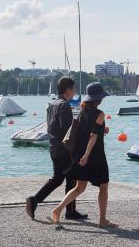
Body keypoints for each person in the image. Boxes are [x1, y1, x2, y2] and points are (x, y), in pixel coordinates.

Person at [52, 82, 117, 227]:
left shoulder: (82, 112)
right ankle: (102, 220)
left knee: (79, 188)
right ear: (98, 99)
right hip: (95, 156)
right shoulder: (100, 114)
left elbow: (86, 131)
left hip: (80, 155)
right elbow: (93, 136)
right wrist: (87, 155)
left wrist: (102, 129)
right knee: (104, 186)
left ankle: (57, 209)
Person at [26, 76, 87, 220]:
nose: (75, 91)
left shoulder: (52, 104)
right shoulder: (64, 105)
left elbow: (52, 127)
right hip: (64, 149)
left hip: (53, 147)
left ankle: (34, 200)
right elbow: (66, 129)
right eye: (74, 88)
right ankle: (70, 211)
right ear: (68, 90)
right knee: (71, 179)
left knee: (57, 179)